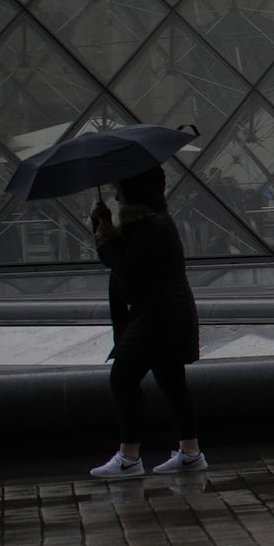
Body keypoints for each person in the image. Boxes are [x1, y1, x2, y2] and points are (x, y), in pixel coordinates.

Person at [87, 165, 204, 477]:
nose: (115, 194)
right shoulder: (150, 222)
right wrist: (103, 226)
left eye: (120, 189)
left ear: (133, 190)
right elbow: (121, 261)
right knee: (171, 382)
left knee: (123, 378)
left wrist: (106, 233)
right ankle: (190, 452)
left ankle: (129, 457)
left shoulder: (151, 226)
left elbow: (126, 268)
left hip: (158, 314)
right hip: (164, 311)